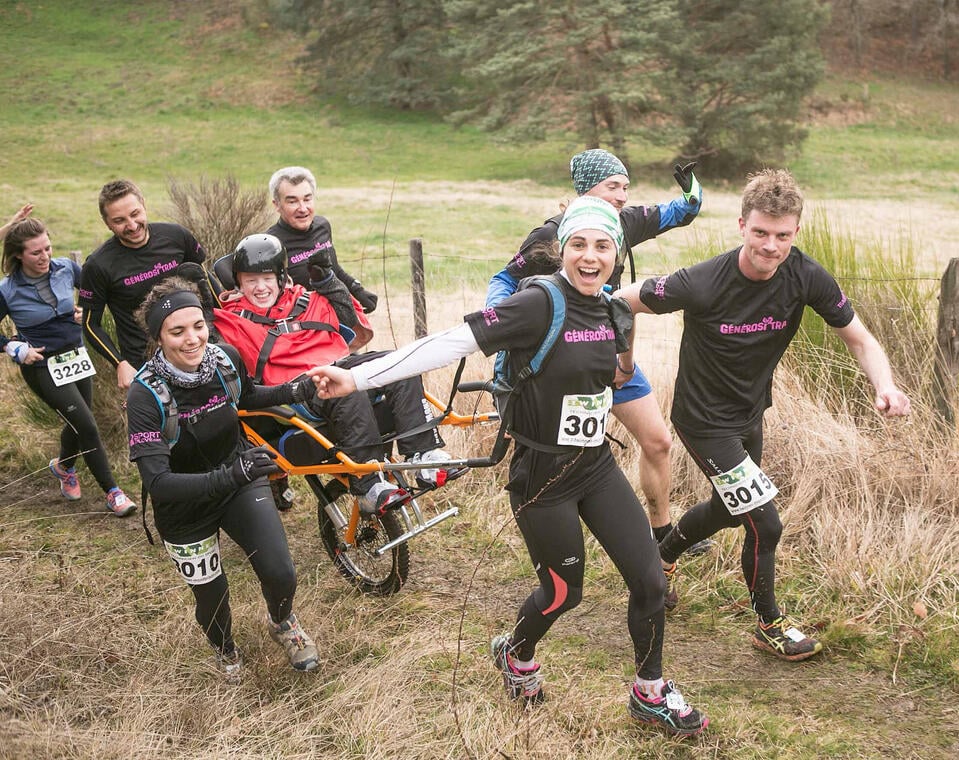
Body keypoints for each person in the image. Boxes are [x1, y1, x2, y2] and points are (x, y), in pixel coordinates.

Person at [308, 196, 708, 737]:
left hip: (595, 468)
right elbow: (450, 343)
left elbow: (616, 374)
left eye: (603, 246)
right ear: (562, 248)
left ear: (617, 252)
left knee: (650, 580)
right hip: (541, 477)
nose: (590, 257)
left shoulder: (613, 308)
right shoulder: (538, 303)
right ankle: (516, 653)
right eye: (579, 245)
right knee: (565, 592)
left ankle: (650, 692)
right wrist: (356, 378)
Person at [614, 168, 912, 661]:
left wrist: (886, 386)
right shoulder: (703, 280)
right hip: (703, 420)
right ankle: (769, 624)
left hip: (750, 414)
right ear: (741, 226)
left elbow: (859, 338)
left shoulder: (806, 276)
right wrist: (621, 363)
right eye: (760, 233)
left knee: (731, 510)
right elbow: (621, 303)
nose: (770, 246)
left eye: (782, 236)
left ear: (796, 233)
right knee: (764, 523)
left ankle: (662, 554)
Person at [486, 149, 707, 574]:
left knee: (658, 441)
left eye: (626, 187)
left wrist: (691, 190)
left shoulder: (623, 223)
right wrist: (505, 334)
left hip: (607, 353)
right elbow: (502, 280)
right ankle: (573, 535)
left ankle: (660, 536)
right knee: (568, 458)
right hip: (558, 362)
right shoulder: (549, 237)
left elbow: (681, 213)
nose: (623, 196)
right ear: (587, 189)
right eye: (613, 187)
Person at [126, 276, 323, 679]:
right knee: (211, 598)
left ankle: (283, 622)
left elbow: (247, 395)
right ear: (158, 337)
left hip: (238, 476)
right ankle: (226, 650)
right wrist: (232, 474)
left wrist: (297, 390)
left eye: (198, 326)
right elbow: (159, 482)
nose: (193, 339)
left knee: (280, 570)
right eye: (177, 331)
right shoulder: (145, 396)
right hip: (183, 505)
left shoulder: (224, 359)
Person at [211, 233, 451, 515]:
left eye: (266, 278)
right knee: (344, 390)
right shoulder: (230, 320)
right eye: (251, 280)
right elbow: (213, 353)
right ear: (238, 282)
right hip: (295, 391)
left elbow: (350, 322)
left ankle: (424, 456)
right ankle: (369, 484)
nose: (260, 287)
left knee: (397, 364)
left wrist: (328, 282)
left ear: (281, 277)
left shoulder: (303, 299)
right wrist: (203, 307)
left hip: (338, 365)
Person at [1, 216, 136, 515]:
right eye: (36, 252)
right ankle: (113, 492)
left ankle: (64, 467)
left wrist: (87, 310)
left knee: (78, 422)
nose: (45, 256)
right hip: (41, 365)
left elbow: (97, 293)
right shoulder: (8, 289)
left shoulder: (66, 268)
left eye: (47, 248)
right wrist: (14, 347)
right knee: (87, 424)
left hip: (76, 357)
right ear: (18, 255)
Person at [80, 179, 210, 389]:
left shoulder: (176, 236)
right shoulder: (98, 265)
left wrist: (224, 308)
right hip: (145, 364)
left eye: (135, 214)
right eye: (120, 220)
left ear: (144, 205)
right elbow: (89, 324)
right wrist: (119, 363)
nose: (131, 225)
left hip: (195, 349)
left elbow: (202, 277)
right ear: (107, 223)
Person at [264, 166, 379, 311]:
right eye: (292, 201)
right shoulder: (270, 244)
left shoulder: (322, 226)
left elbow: (335, 270)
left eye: (307, 199)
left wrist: (356, 289)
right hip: (300, 326)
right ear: (277, 205)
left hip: (335, 315)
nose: (303, 208)